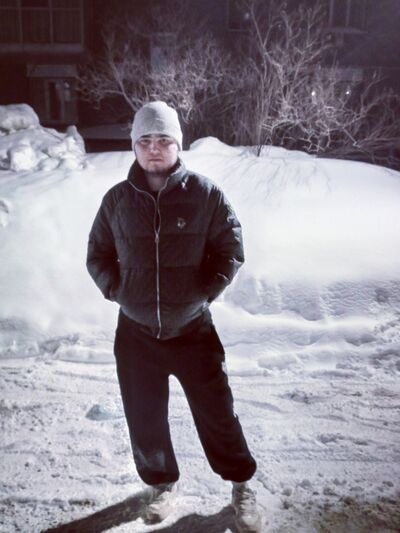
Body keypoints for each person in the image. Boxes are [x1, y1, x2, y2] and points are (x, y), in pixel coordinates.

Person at [86, 101, 261, 532]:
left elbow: (230, 248)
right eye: (145, 140)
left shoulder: (205, 194)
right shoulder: (117, 201)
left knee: (217, 413)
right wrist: (120, 292)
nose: (154, 148)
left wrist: (204, 292)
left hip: (193, 331)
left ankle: (241, 485)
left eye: (163, 139)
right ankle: (161, 485)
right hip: (136, 334)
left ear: (177, 145)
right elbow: (98, 254)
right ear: (134, 146)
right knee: (144, 417)